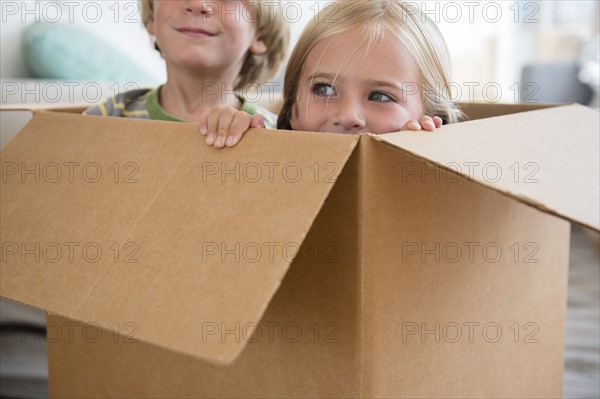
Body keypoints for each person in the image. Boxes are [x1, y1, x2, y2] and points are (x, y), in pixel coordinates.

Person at [200, 0, 463, 147]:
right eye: (323, 89)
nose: (348, 117)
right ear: (294, 110)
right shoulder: (265, 147)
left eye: (381, 96)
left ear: (431, 119)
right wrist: (232, 131)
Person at [84, 0, 289, 148]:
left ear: (261, 34)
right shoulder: (106, 117)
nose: (198, 3)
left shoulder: (275, 133)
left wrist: (260, 148)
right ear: (152, 19)